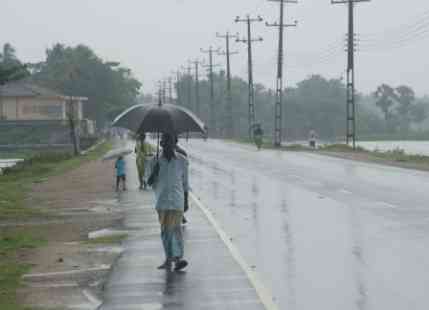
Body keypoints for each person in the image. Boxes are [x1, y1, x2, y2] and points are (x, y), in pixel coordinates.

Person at [148, 133, 189, 271]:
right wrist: (155, 172)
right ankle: (168, 259)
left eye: (171, 142)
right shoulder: (154, 160)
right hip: (162, 200)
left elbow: (185, 183)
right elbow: (148, 182)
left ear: (175, 143)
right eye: (165, 142)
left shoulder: (182, 160)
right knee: (165, 231)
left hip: (177, 200)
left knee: (176, 229)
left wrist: (186, 201)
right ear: (161, 144)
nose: (168, 145)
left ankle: (178, 259)